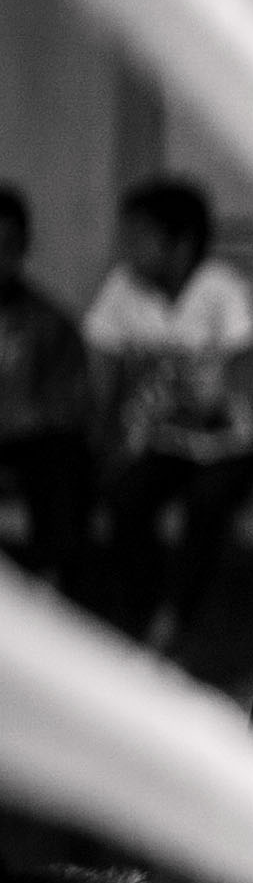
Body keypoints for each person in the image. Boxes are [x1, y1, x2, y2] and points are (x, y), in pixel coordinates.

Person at [81, 179, 253, 676]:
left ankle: (174, 623)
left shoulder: (221, 290)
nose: (128, 250)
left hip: (229, 447)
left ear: (180, 245)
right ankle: (144, 622)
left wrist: (205, 389)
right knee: (124, 500)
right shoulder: (124, 289)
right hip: (166, 446)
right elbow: (102, 363)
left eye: (140, 238)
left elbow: (240, 388)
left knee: (205, 508)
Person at [0, 187, 93, 592]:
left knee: (62, 462)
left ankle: (54, 592)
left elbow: (67, 407)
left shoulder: (50, 322)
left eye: (6, 245)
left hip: (31, 444)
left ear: (23, 247)